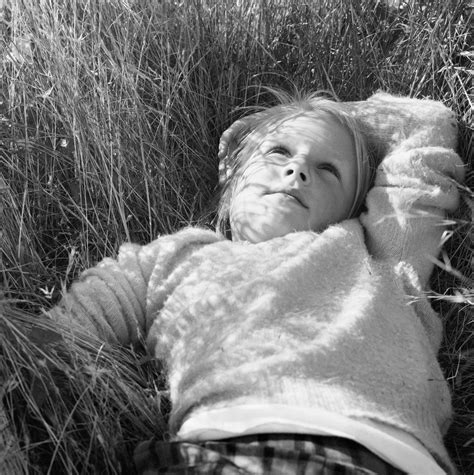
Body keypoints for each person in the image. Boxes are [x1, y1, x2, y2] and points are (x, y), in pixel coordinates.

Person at [47, 91, 465, 474]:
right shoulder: (180, 257)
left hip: (375, 455)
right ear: (234, 173)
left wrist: (329, 112)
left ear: (354, 207)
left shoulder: (380, 249)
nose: (297, 168)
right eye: (279, 151)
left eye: (328, 170)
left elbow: (424, 122)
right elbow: (76, 321)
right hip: (218, 449)